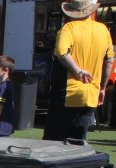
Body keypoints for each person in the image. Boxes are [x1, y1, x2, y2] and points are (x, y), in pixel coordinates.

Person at [44, 0, 114, 141]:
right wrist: (102, 88)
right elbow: (109, 61)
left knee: (53, 144)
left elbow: (63, 53)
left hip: (66, 94)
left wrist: (78, 72)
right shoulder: (103, 30)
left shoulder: (68, 28)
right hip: (90, 94)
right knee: (77, 143)